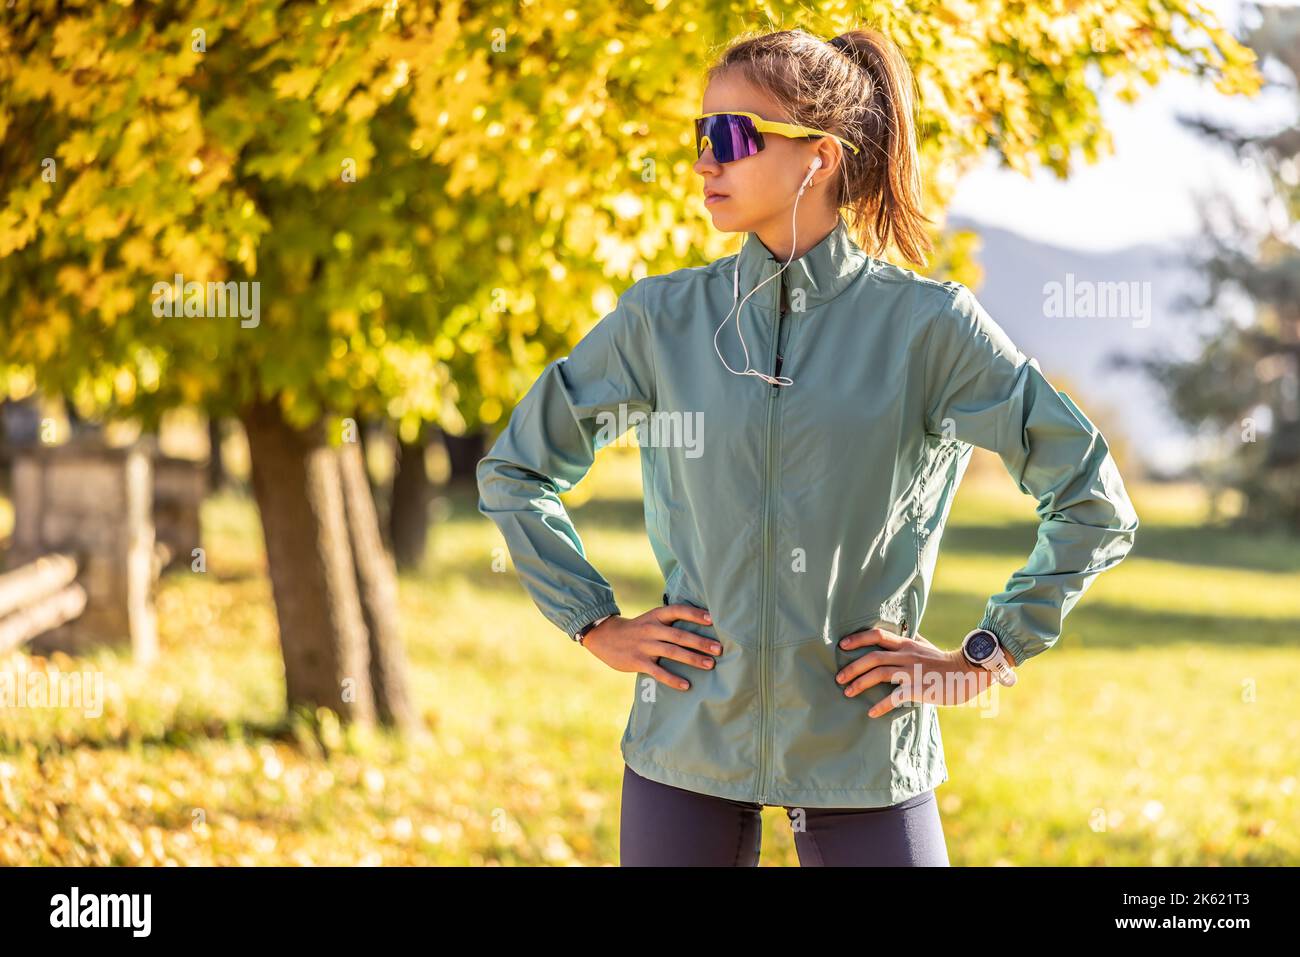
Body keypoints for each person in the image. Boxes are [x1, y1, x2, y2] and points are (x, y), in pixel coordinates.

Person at [476, 26, 1140, 866]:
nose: (704, 163)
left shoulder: (927, 328)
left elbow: (1091, 499)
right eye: (699, 136)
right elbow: (517, 468)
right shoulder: (661, 320)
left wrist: (986, 652)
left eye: (730, 136)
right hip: (686, 737)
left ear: (818, 158)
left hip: (864, 746)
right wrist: (593, 621)